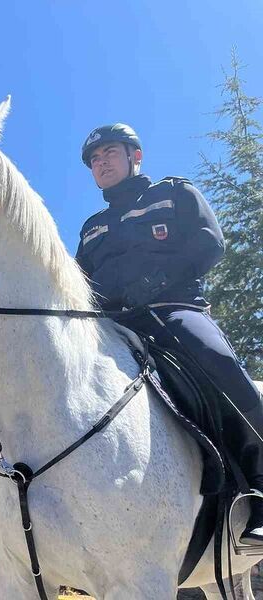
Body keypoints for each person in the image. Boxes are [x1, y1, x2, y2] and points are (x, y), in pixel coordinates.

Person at [76, 123, 263, 544]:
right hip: (113, 326)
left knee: (216, 362)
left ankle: (260, 482)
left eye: (109, 153)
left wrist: (157, 283)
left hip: (173, 311)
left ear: (134, 156)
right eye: (94, 160)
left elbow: (208, 242)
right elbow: (78, 283)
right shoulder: (91, 226)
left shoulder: (173, 192)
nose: (101, 163)